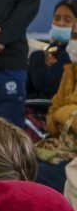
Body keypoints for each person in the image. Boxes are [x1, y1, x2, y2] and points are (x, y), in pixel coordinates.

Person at [35, 20, 77, 191]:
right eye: (74, 36)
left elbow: (59, 114)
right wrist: (67, 114)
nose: (75, 41)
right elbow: (51, 118)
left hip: (73, 161)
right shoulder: (70, 71)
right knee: (10, 164)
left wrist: (62, 113)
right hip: (60, 149)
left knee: (31, 177)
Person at [28, 0, 77, 99]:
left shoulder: (71, 54)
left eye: (67, 20)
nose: (60, 23)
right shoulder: (52, 49)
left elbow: (47, 86)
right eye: (57, 18)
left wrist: (38, 58)